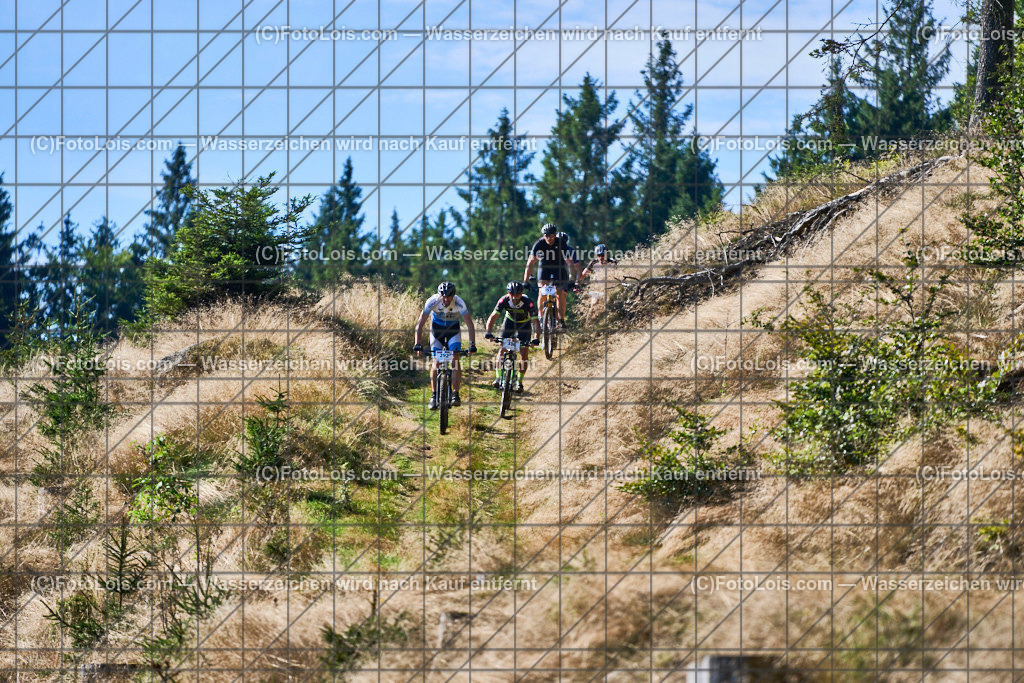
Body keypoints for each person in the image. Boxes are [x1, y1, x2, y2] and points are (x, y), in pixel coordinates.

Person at [413, 281, 476, 410]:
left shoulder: (459, 303)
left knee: (455, 360)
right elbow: (420, 324)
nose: (446, 299)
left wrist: (472, 344)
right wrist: (417, 344)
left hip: (453, 331)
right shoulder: (432, 301)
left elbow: (469, 324)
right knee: (436, 362)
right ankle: (434, 395)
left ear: (454, 296)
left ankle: (455, 394)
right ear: (439, 295)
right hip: (437, 332)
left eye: (449, 296)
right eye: (443, 296)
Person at [483, 281, 541, 393]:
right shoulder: (503, 300)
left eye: (518, 294)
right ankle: (498, 377)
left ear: (522, 293)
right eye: (512, 294)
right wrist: (488, 332)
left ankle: (519, 381)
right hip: (509, 321)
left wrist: (536, 338)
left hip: (524, 324)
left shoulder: (528, 302)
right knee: (502, 349)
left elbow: (535, 321)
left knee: (524, 352)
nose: (515, 297)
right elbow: (493, 316)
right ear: (508, 293)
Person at [523, 223, 576, 329]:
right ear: (543, 235)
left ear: (555, 235)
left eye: (551, 235)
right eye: (546, 235)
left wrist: (571, 278)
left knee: (560, 293)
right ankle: (542, 319)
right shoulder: (539, 244)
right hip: (544, 268)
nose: (549, 238)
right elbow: (530, 263)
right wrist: (526, 280)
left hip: (558, 268)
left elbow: (569, 262)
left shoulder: (561, 243)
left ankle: (561, 320)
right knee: (542, 291)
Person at [579, 243, 617, 320]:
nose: (601, 258)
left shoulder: (613, 263)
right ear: (596, 256)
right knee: (594, 304)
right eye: (599, 255)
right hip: (598, 289)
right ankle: (588, 325)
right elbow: (583, 274)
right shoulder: (594, 263)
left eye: (603, 255)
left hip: (611, 289)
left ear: (607, 255)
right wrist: (578, 284)